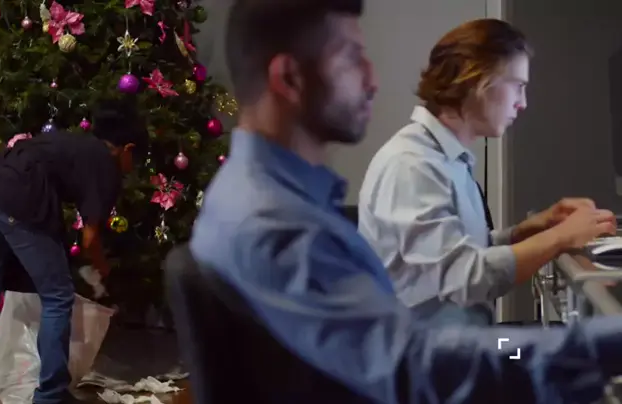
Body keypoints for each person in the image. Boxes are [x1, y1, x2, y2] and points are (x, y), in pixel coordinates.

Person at [191, 1, 622, 402]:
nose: (373, 80)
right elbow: (417, 363)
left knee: (534, 344)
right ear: (289, 78)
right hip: (438, 353)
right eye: (351, 58)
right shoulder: (277, 223)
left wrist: (525, 235)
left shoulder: (267, 198)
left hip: (448, 344)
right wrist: (603, 343)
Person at [357, 19, 616, 326]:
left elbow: (459, 253)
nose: (522, 103)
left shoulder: (444, 157)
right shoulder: (412, 164)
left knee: (576, 342)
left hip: (460, 341)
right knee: (589, 347)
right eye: (518, 86)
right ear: (475, 79)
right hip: (436, 352)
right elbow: (463, 279)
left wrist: (530, 230)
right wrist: (561, 237)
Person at [0, 101, 142, 404]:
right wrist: (103, 268)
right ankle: (51, 396)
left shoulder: (73, 143)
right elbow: (90, 238)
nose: (134, 168)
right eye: (136, 159)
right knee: (57, 296)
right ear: (127, 149)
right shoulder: (105, 164)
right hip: (20, 199)